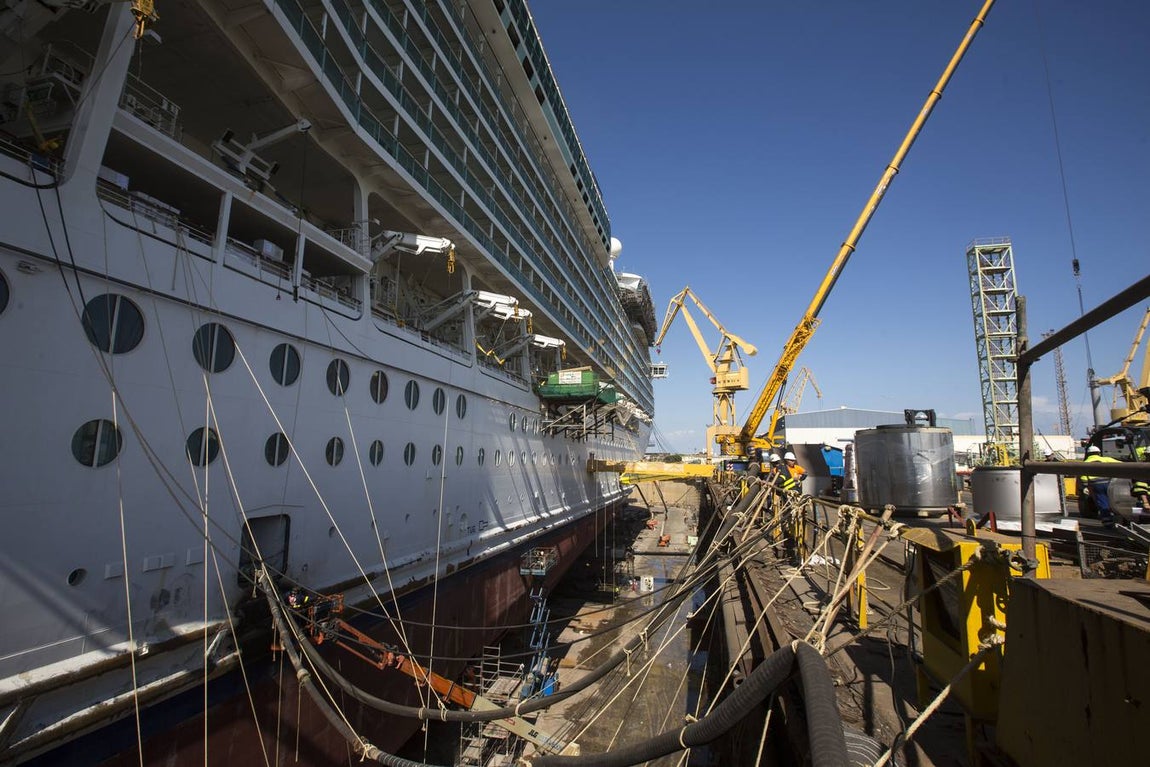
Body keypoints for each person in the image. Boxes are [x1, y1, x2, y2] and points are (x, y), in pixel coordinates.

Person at [1079, 445, 1121, 528]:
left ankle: (1108, 522)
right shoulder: (1106, 459)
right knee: (1114, 501)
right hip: (1110, 484)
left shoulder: (1085, 463)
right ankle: (1119, 519)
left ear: (1088, 454)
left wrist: (1085, 487)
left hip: (1097, 485)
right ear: (1099, 453)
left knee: (1103, 502)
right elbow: (1123, 465)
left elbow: (1083, 478)